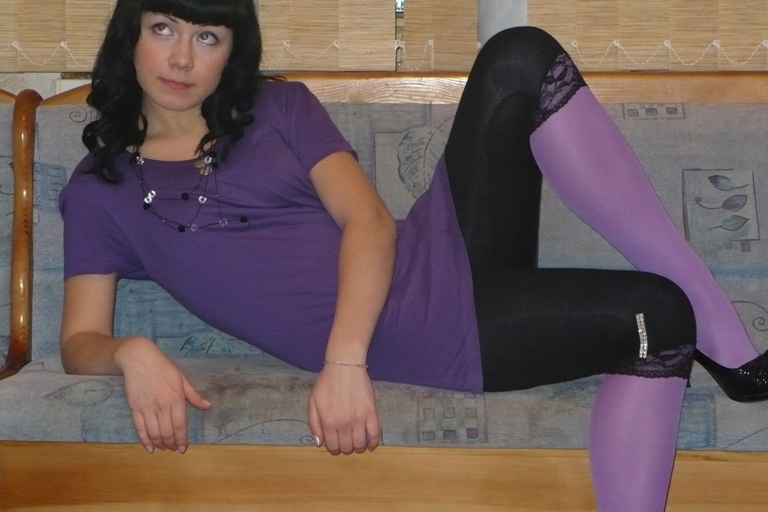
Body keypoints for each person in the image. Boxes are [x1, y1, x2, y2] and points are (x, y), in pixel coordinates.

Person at [57, 0, 767, 510]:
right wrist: (132, 352)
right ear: (131, 34)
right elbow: (79, 340)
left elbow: (369, 221)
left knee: (519, 56)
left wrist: (343, 363)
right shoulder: (101, 190)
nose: (182, 58)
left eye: (207, 36)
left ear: (231, 51)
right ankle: (710, 334)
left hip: (434, 250)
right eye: (163, 28)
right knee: (655, 316)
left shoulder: (279, 108)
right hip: (422, 332)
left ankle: (725, 336)